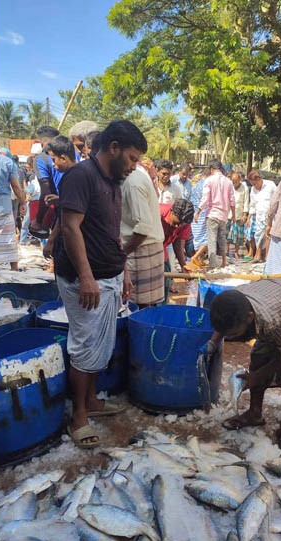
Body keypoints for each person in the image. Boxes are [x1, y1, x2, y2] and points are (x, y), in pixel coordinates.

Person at [52, 120, 147, 448]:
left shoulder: (113, 182)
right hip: (83, 279)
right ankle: (77, 415)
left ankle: (92, 401)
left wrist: (123, 271)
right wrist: (88, 276)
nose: (134, 167)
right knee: (84, 346)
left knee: (100, 345)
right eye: (133, 159)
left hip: (108, 274)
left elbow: (109, 233)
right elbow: (70, 228)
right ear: (114, 147)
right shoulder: (81, 176)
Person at [204, 279, 281, 448]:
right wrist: (212, 343)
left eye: (233, 333)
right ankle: (254, 414)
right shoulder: (234, 302)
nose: (230, 337)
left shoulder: (272, 322)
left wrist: (257, 376)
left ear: (249, 318)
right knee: (259, 356)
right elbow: (223, 325)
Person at [121, 160, 166, 308]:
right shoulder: (136, 177)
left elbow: (143, 226)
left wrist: (122, 253)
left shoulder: (132, 182)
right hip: (144, 245)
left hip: (141, 247)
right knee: (143, 304)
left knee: (139, 305)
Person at [0, 132, 26, 270]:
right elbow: (16, 186)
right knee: (8, 240)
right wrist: (23, 203)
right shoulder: (7, 162)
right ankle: (14, 269)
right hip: (3, 207)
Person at [41, 136, 78, 261]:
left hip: (70, 239)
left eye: (53, 159)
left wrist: (50, 241)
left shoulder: (70, 178)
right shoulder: (82, 173)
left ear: (63, 158)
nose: (53, 164)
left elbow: (65, 215)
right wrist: (60, 199)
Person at [196, 159, 236, 269]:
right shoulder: (228, 181)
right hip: (223, 215)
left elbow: (205, 199)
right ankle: (223, 262)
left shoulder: (208, 180)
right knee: (222, 238)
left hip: (212, 214)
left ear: (212, 169)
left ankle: (212, 264)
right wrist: (233, 214)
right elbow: (232, 200)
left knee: (212, 240)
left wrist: (198, 211)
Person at [159, 197, 195, 302]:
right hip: (148, 250)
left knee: (165, 285)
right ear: (171, 211)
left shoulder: (185, 222)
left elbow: (179, 245)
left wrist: (183, 265)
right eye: (175, 223)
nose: (177, 226)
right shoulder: (158, 214)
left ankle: (162, 308)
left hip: (163, 251)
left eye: (180, 225)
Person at [32, 125, 62, 240]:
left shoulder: (42, 159)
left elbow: (46, 193)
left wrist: (38, 221)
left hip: (62, 210)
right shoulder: (75, 153)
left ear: (41, 142)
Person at [248, 170, 277, 263]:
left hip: (270, 216)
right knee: (258, 236)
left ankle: (267, 257)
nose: (255, 186)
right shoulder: (253, 189)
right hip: (259, 216)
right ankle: (258, 255)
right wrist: (249, 217)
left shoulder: (270, 185)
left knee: (268, 236)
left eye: (255, 183)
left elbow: (277, 199)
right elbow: (252, 204)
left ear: (259, 179)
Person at [230, 171, 252, 259]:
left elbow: (246, 202)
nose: (234, 183)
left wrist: (245, 215)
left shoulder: (245, 188)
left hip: (239, 214)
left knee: (238, 235)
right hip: (229, 214)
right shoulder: (230, 187)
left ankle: (236, 252)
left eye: (236, 181)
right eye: (233, 181)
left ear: (240, 180)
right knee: (227, 234)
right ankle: (227, 252)